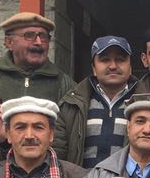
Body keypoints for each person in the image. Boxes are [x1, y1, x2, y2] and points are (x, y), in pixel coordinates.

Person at [55, 35, 140, 169]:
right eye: (105, 60)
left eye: (120, 59)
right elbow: (57, 156)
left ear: (130, 68)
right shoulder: (71, 105)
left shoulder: (146, 104)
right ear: (94, 68)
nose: (113, 66)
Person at [0, 11, 73, 103]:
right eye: (29, 35)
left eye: (43, 36)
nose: (39, 42)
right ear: (9, 42)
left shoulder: (64, 84)